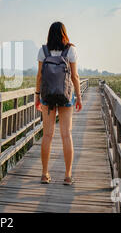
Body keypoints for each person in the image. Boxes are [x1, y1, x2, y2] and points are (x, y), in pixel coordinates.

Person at [35, 21, 82, 186]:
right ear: (64, 33)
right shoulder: (71, 50)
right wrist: (79, 98)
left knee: (47, 135)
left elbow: (40, 76)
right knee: (66, 135)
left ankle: (44, 174)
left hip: (47, 97)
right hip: (66, 96)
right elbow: (75, 77)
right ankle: (68, 176)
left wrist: (37, 96)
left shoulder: (44, 51)